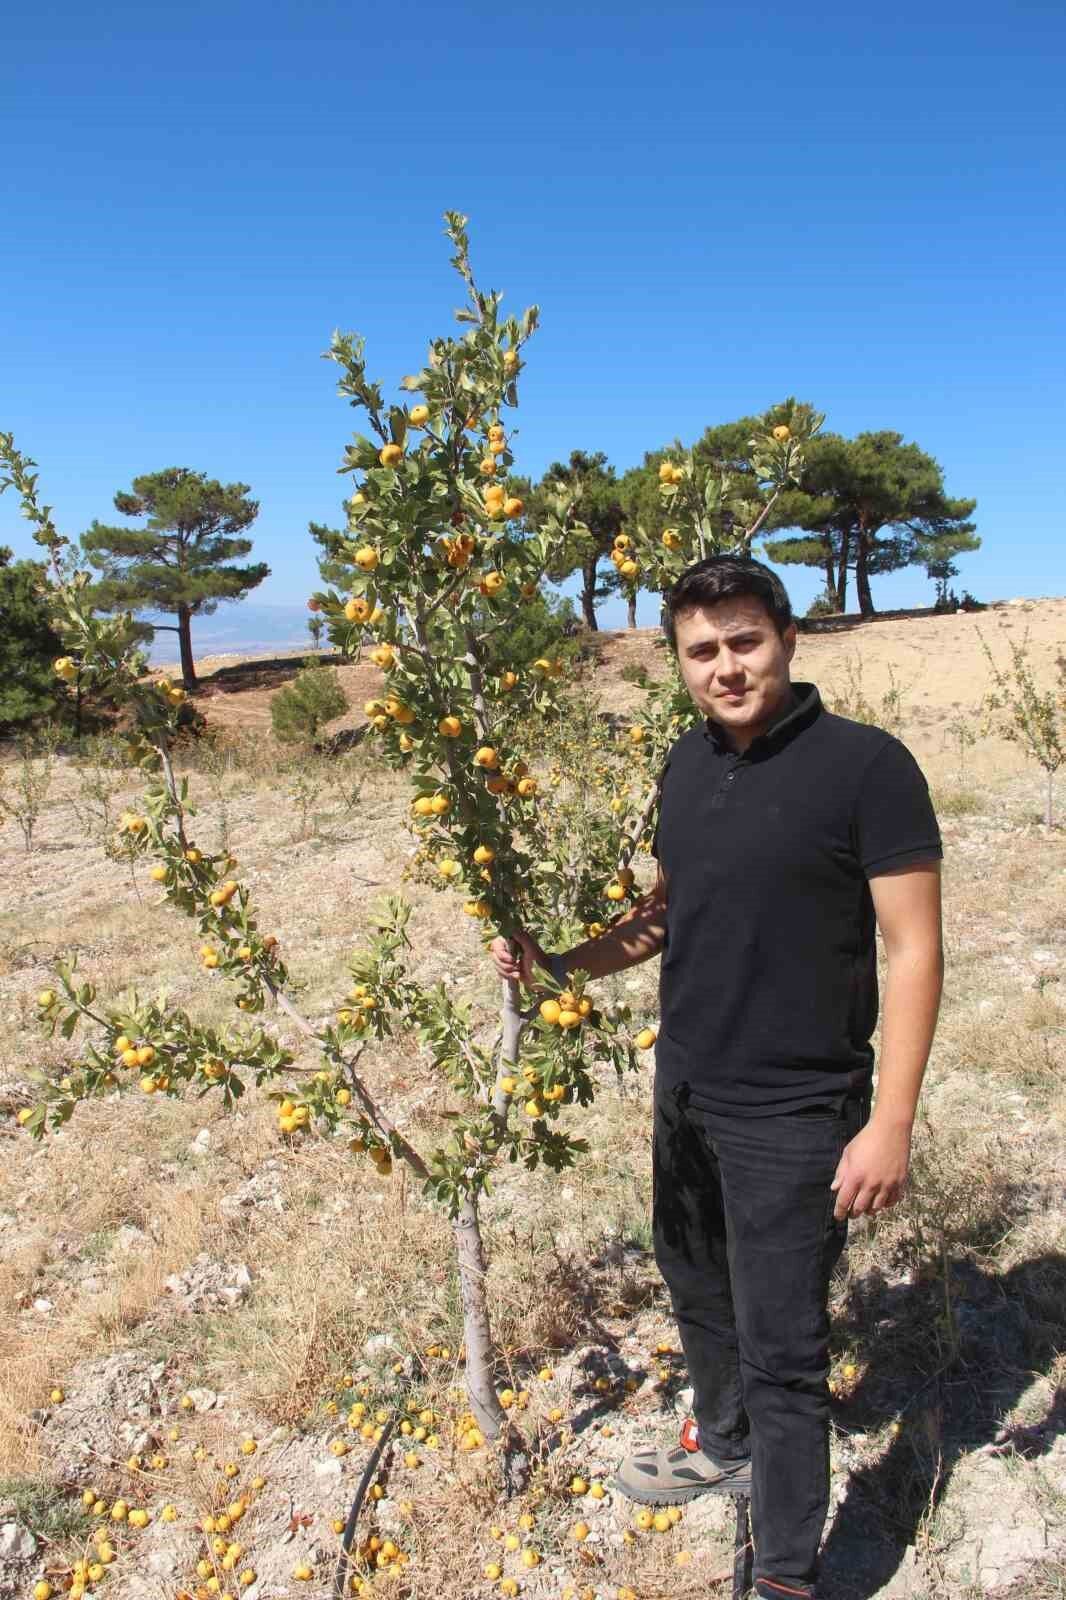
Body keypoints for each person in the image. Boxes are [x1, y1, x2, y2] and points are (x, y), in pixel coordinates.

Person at [489, 555, 944, 1600]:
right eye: (703, 650)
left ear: (785, 636)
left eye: (744, 640)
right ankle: (722, 1438)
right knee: (695, 1280)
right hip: (687, 1082)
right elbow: (665, 915)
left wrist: (890, 1122)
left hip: (795, 1106)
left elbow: (913, 949)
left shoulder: (868, 768)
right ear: (679, 663)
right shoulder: (685, 766)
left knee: (785, 1344)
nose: (726, 667)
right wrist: (561, 960)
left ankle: (784, 1571)